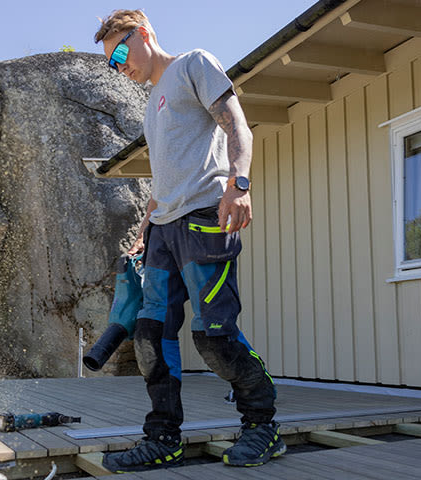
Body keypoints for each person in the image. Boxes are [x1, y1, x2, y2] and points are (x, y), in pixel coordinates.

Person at [94, 9, 285, 473]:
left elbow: (238, 125)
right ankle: (163, 438)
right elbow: (166, 174)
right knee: (150, 337)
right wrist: (147, 223)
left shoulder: (192, 64)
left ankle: (261, 425)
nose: (120, 66)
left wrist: (239, 184)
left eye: (121, 52)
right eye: (111, 62)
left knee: (213, 336)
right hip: (163, 231)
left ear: (144, 34)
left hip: (204, 221)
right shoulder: (150, 103)